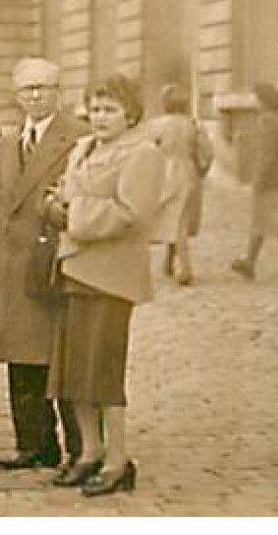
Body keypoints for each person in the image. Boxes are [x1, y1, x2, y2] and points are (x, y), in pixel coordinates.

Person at [45, 74, 163, 497]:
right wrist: (54, 205)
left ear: (130, 114)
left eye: (110, 109)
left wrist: (73, 211)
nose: (100, 117)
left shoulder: (143, 154)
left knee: (104, 370)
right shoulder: (82, 148)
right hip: (74, 268)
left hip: (111, 275)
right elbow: (62, 193)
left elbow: (133, 213)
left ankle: (118, 459)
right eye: (95, 109)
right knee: (75, 369)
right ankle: (88, 451)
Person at [0, 58, 86, 470]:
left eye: (43, 88)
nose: (34, 96)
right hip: (15, 260)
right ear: (16, 96)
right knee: (21, 357)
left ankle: (81, 447)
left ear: (58, 92)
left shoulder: (78, 139)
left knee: (61, 357)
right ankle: (34, 443)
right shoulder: (7, 144)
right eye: (27, 89)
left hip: (54, 259)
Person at [231, 83, 278, 287]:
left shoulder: (266, 121)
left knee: (259, 220)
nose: (254, 103)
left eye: (256, 99)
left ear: (264, 101)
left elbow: (267, 154)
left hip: (272, 179)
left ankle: (251, 262)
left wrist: (258, 180)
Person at [146, 84, 204, 287]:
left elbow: (146, 149)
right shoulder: (193, 124)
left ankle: (183, 268)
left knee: (165, 217)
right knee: (180, 218)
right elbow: (207, 151)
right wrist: (201, 169)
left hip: (163, 172)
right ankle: (172, 262)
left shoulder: (156, 125)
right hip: (187, 172)